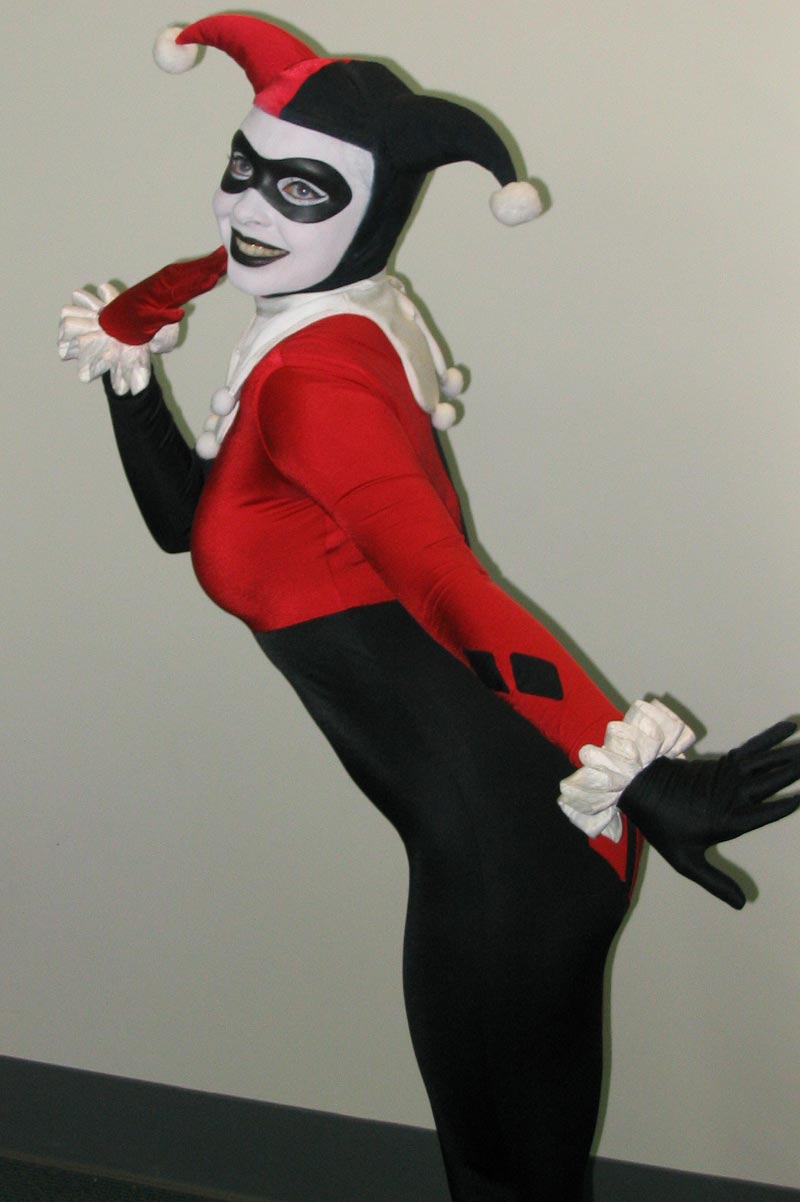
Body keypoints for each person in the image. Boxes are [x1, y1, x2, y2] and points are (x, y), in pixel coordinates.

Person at [57, 14, 800, 1201]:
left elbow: (450, 587)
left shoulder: (318, 377)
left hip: (515, 851)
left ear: (364, 209)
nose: (247, 207)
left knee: (508, 1177)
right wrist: (128, 367)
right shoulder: (308, 335)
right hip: (480, 841)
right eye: (243, 169)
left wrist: (645, 773)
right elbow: (184, 523)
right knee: (494, 1171)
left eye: (297, 188)